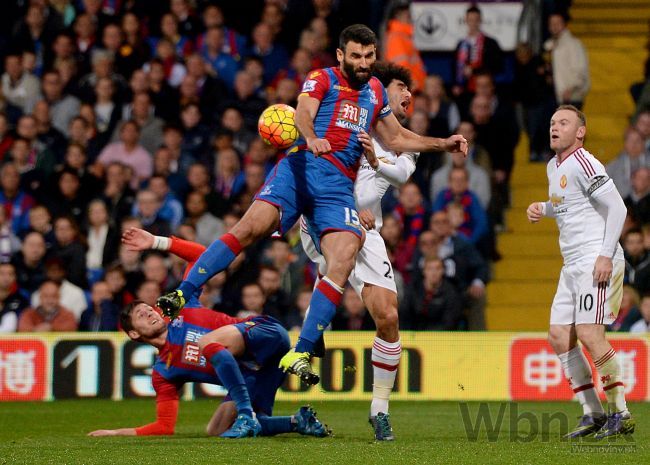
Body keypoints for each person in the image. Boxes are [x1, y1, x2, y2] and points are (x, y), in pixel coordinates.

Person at [156, 25, 467, 388]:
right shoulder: (322, 78)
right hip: (299, 168)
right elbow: (302, 113)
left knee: (344, 255)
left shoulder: (376, 91)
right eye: (356, 56)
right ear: (341, 55)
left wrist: (443, 143)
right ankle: (182, 292)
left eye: (369, 56)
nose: (364, 63)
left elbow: (397, 137)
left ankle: (302, 349)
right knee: (249, 229)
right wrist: (312, 136)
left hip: (336, 187)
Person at [88, 227, 329, 439]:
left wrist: (157, 242)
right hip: (258, 372)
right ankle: (298, 422)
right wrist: (116, 432)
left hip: (264, 333)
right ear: (132, 334)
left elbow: (202, 257)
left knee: (207, 342)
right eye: (141, 315)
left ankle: (245, 413)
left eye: (148, 308)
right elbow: (164, 426)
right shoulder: (164, 371)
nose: (151, 313)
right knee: (217, 430)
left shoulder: (179, 306)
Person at [299, 61, 417, 440]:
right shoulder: (350, 116)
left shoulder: (406, 144)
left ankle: (379, 409)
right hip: (325, 217)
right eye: (398, 86)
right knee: (337, 255)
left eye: (406, 90)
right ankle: (314, 324)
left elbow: (399, 175)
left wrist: (373, 160)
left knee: (388, 317)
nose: (404, 94)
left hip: (369, 230)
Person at [526, 105, 634, 439]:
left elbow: (618, 206)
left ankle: (622, 413)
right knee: (559, 336)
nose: (555, 127)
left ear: (580, 132)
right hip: (571, 263)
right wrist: (542, 208)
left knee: (589, 333)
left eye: (564, 122)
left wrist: (604, 256)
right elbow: (566, 205)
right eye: (552, 122)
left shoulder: (586, 162)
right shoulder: (553, 166)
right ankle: (594, 413)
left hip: (594, 258)